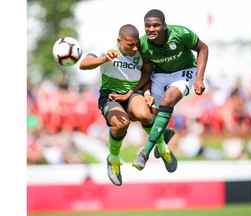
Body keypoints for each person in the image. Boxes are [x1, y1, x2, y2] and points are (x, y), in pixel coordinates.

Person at [110, 9, 209, 172]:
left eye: (156, 25)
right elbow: (147, 71)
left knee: (167, 101)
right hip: (159, 74)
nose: (151, 29)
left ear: (164, 25)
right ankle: (164, 135)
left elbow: (203, 48)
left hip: (183, 72)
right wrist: (133, 91)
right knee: (148, 117)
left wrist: (199, 78)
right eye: (147, 26)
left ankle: (144, 153)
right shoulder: (142, 44)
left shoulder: (181, 33)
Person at [79, 24, 174, 186]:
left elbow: (147, 73)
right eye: (131, 44)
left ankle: (163, 148)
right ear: (119, 41)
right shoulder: (105, 47)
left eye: (136, 43)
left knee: (145, 115)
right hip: (110, 95)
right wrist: (104, 59)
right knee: (121, 124)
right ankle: (113, 160)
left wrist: (147, 93)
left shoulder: (141, 50)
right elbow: (83, 64)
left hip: (132, 92)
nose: (135, 47)